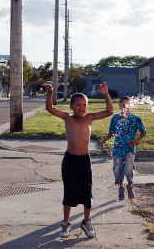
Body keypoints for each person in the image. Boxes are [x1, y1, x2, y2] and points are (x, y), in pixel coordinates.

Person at [44, 82, 114, 238]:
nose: (81, 107)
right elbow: (50, 108)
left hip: (84, 160)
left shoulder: (89, 118)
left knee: (86, 192)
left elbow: (110, 111)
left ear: (87, 107)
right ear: (71, 106)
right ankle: (66, 223)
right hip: (70, 160)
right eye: (78, 105)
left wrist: (105, 94)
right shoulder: (67, 118)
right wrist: (50, 93)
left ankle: (86, 221)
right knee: (69, 192)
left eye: (84, 105)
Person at [100, 96, 146, 200]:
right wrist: (105, 139)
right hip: (117, 148)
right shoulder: (115, 118)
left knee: (128, 168)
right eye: (124, 105)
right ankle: (121, 187)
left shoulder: (135, 119)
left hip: (129, 148)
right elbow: (111, 132)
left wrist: (136, 141)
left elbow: (143, 132)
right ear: (120, 106)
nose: (126, 107)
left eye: (128, 105)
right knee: (117, 169)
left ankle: (129, 186)